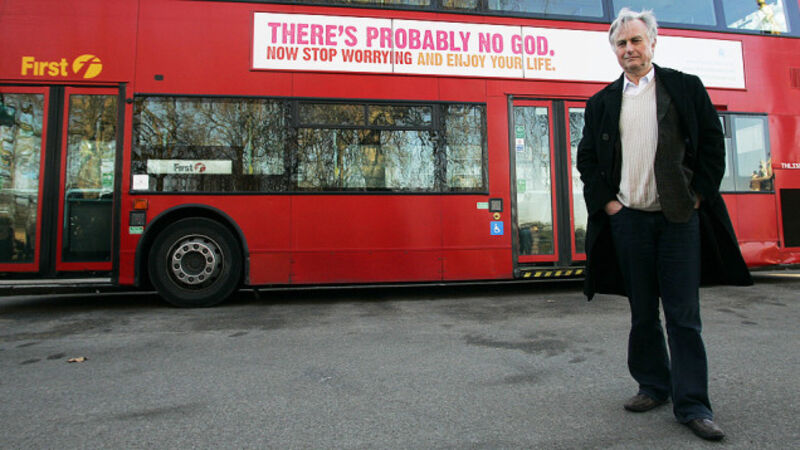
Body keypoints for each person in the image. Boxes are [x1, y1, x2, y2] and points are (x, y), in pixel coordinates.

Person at [576, 8, 753, 442]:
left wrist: (698, 197)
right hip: (629, 222)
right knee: (642, 313)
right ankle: (653, 385)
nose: (629, 49)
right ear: (614, 51)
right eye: (621, 43)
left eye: (636, 40)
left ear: (653, 43)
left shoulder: (685, 87)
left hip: (678, 220)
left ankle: (693, 405)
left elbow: (712, 145)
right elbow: (588, 160)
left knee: (683, 317)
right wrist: (610, 206)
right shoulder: (601, 103)